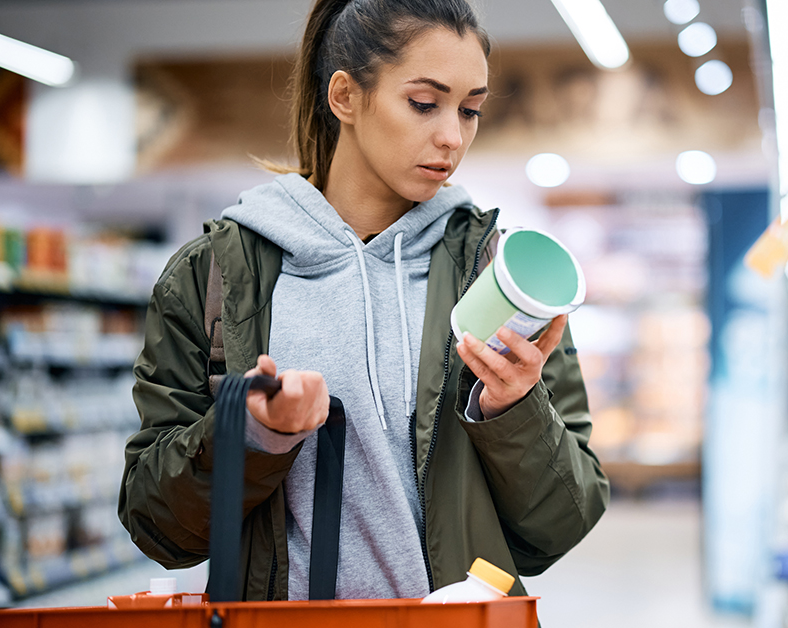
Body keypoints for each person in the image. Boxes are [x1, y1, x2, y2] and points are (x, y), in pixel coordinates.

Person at [118, 0, 609, 602]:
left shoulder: (495, 276)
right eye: (424, 104)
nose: (452, 136)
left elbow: (562, 524)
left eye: (471, 109)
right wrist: (253, 435)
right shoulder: (212, 277)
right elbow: (156, 524)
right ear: (345, 96)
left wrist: (513, 411)